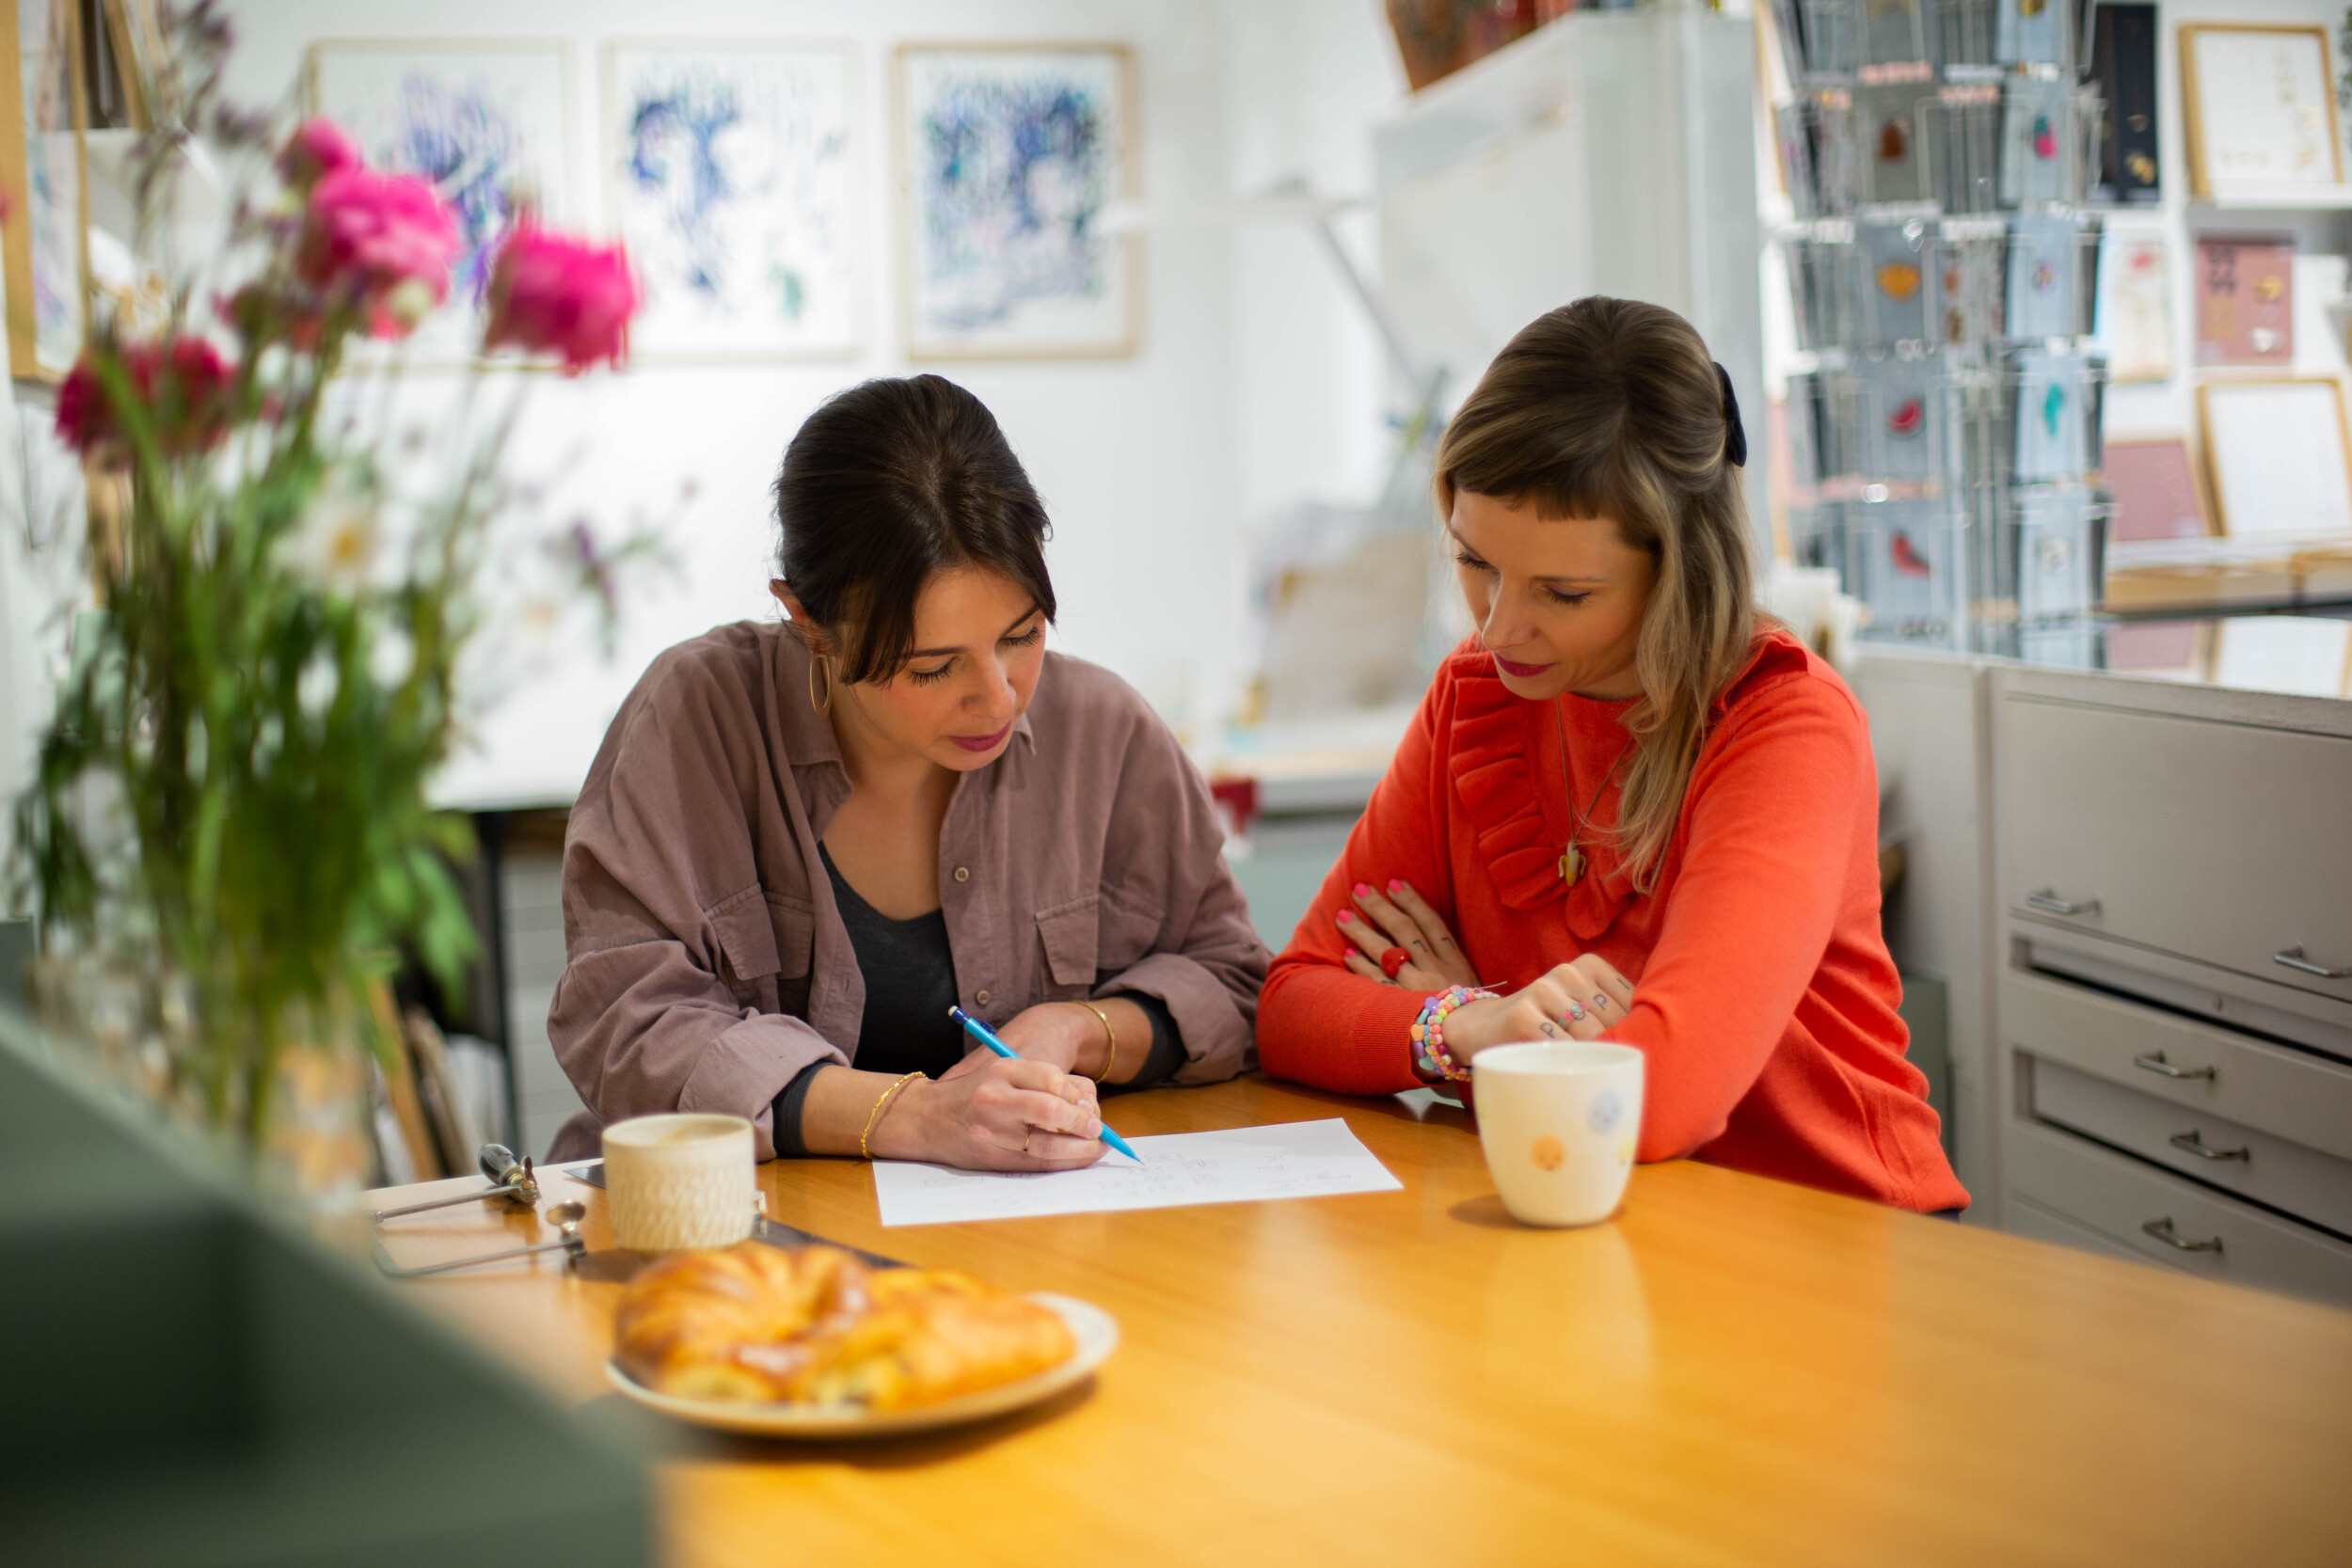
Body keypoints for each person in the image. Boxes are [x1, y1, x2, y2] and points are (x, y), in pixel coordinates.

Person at [1257, 297, 1966, 1213]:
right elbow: (1290, 1007)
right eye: (1475, 562)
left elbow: (1659, 1099)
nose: (1499, 625)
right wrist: (1467, 1021)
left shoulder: (1787, 725)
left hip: (1834, 1230)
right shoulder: (1474, 692)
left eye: (1562, 590)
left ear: (1678, 570)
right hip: (1600, 1218)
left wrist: (1476, 1037)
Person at [548, 375, 1266, 1169]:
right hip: (735, 1236)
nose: (998, 698)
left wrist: (1081, 1029)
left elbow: (1232, 979)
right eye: (932, 668)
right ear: (811, 625)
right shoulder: (697, 719)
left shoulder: (1103, 731)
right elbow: (623, 1020)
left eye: (1021, 635)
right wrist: (913, 1116)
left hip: (1030, 1246)